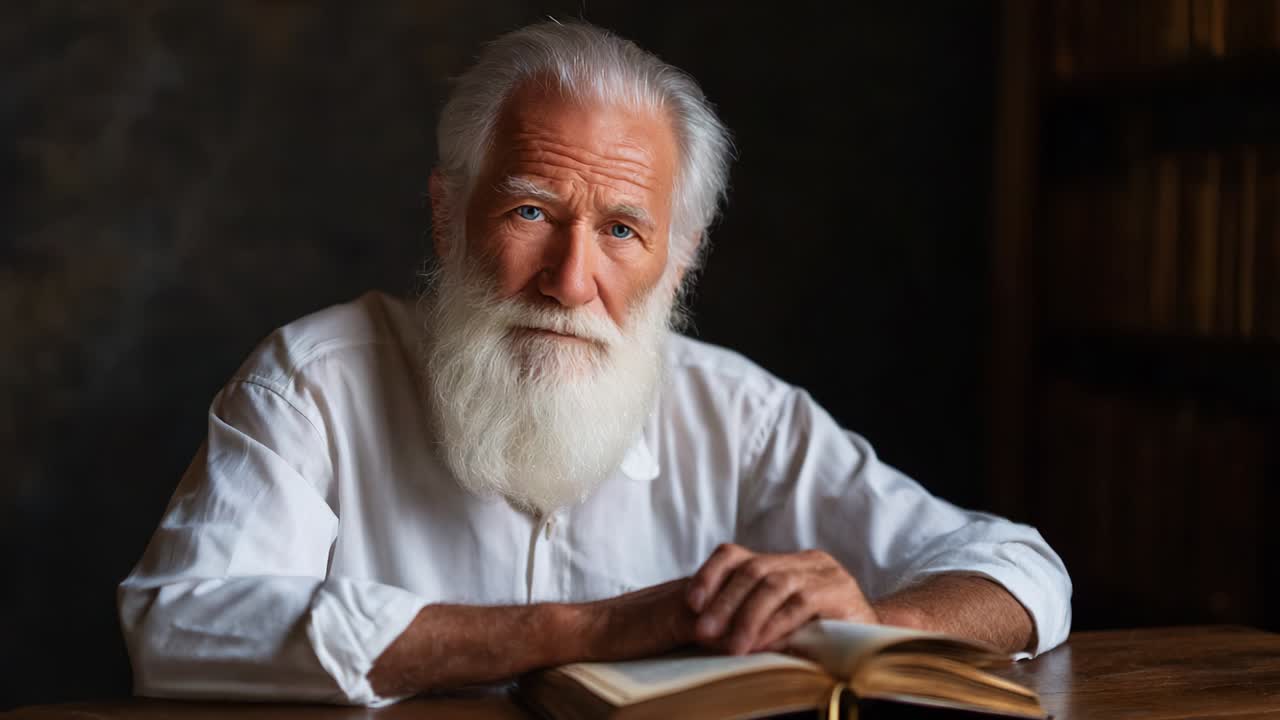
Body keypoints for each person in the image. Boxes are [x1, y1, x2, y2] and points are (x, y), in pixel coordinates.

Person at [117, 21, 1071, 707]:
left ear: (679, 256)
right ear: (449, 216)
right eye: (532, 211)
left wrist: (870, 629)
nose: (572, 282)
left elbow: (1021, 571)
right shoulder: (312, 381)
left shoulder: (736, 410)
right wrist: (586, 633)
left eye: (622, 229)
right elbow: (181, 625)